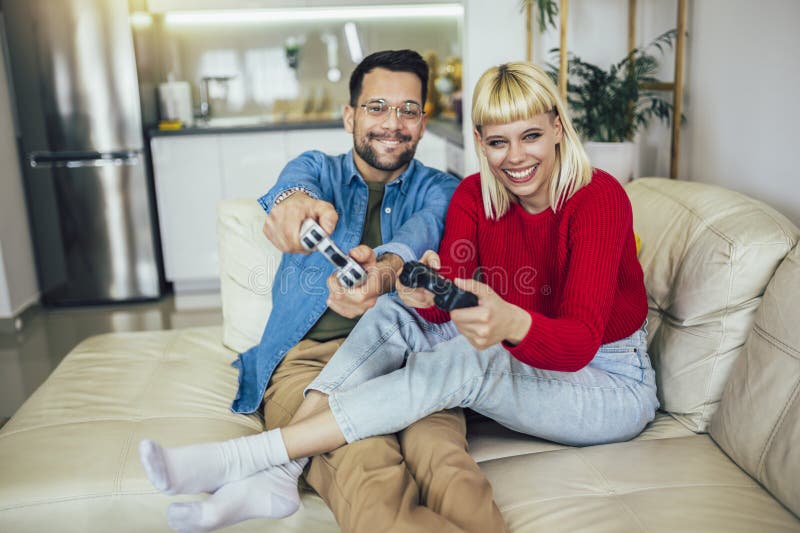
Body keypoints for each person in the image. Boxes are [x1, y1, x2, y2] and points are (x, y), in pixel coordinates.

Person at [141, 60, 659, 530]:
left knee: (464, 368)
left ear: (558, 130)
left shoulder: (596, 199)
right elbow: (443, 298)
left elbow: (579, 344)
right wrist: (418, 289)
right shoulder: (471, 194)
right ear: (480, 141)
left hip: (604, 377)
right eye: (499, 142)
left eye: (531, 137)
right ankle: (279, 471)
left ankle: (251, 459)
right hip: (482, 357)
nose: (517, 157)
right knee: (402, 316)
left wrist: (504, 321)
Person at [140, 50, 506, 533]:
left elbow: (418, 234)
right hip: (312, 362)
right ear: (349, 115)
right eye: (376, 107)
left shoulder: (444, 189)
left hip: (413, 362)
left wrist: (384, 271)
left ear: (422, 122)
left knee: (449, 468)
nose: (392, 123)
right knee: (366, 471)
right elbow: (291, 193)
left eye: (408, 110)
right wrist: (296, 208)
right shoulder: (317, 169)